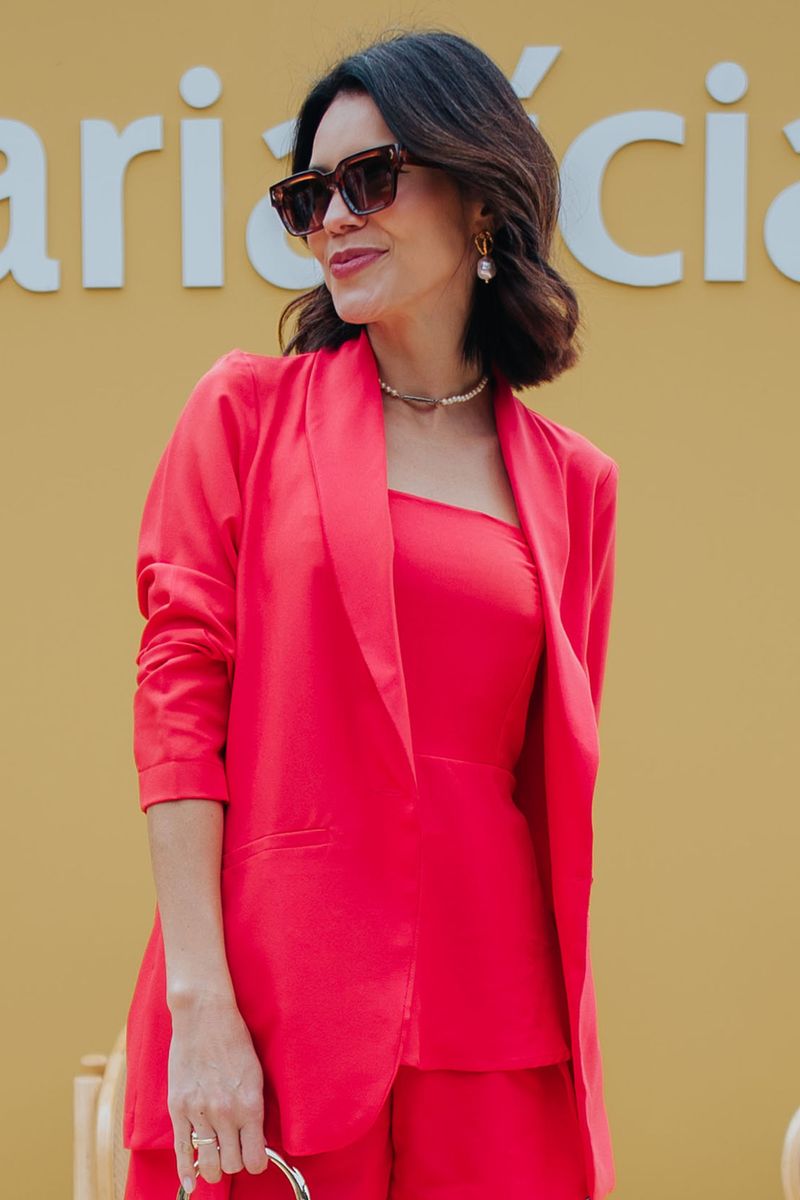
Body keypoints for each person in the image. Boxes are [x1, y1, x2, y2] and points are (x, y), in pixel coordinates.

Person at [122, 27, 620, 1200]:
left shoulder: (573, 485)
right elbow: (178, 703)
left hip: (496, 1023)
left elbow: (545, 780)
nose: (334, 219)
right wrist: (202, 1005)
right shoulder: (244, 416)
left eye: (371, 179)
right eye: (309, 197)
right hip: (274, 1011)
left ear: (481, 198)